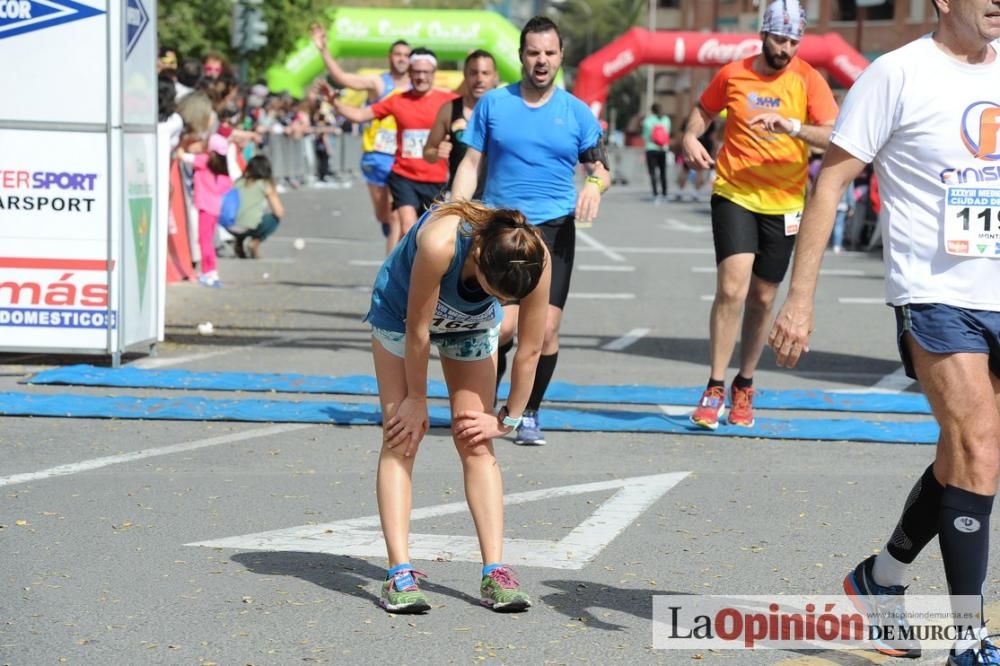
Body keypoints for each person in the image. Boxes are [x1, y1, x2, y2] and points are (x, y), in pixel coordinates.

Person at [768, 1, 1000, 663]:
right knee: (978, 448)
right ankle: (967, 639)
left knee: (966, 460)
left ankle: (883, 577)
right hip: (935, 295)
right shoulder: (896, 75)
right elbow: (832, 182)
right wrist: (800, 300)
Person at [365, 200, 551, 613]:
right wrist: (416, 399)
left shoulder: (532, 257)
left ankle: (495, 572)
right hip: (402, 317)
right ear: (479, 255)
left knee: (476, 441)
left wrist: (508, 418)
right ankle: (399, 573)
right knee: (402, 437)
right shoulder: (440, 243)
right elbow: (418, 332)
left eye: (506, 298)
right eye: (492, 290)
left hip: (470, 327)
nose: (497, 298)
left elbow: (531, 348)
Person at [451, 15, 610, 445]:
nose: (541, 61)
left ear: (561, 57)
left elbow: (600, 166)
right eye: (533, 53)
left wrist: (594, 184)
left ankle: (528, 413)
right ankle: (488, 404)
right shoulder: (493, 105)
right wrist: (453, 209)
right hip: (501, 230)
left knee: (545, 331)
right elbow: (470, 164)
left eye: (549, 53)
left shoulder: (577, 113)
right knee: (501, 329)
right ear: (521, 56)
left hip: (553, 231)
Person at [681, 0, 838, 430]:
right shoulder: (733, 74)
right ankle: (714, 385)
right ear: (763, 35)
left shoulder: (808, 79)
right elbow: (701, 111)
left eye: (793, 41)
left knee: (764, 296)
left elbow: (833, 134)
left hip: (785, 203)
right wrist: (690, 138)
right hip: (735, 192)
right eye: (779, 39)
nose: (785, 48)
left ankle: (744, 384)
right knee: (732, 287)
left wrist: (793, 127)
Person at [329, 48, 456, 249]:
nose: (421, 77)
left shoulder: (448, 101)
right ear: (410, 72)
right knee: (407, 227)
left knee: (429, 236)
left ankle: (416, 273)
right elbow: (361, 115)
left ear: (434, 73)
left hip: (436, 179)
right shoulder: (397, 100)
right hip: (403, 174)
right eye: (417, 72)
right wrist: (335, 104)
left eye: (426, 72)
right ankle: (398, 277)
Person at [312, 24, 410, 251]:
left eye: (406, 55)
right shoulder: (378, 83)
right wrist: (323, 50)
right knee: (384, 217)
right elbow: (342, 78)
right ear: (390, 57)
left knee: (397, 216)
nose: (402, 59)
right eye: (398, 54)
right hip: (377, 156)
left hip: (402, 158)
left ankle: (392, 275)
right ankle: (393, 238)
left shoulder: (418, 86)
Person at [423, 49, 498, 199]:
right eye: (473, 73)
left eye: (485, 73)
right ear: (465, 75)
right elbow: (427, 152)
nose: (479, 79)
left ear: (495, 77)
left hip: (497, 200)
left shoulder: (506, 111)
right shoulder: (449, 109)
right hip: (459, 198)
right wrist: (437, 153)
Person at [177, 134, 233, 287]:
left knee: (204, 241)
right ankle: (210, 270)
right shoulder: (220, 167)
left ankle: (209, 272)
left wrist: (180, 143)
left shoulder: (204, 160)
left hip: (205, 207)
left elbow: (182, 156)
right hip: (214, 207)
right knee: (207, 240)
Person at [228, 155, 285, 259]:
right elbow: (279, 212)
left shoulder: (238, 182)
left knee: (244, 216)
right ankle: (255, 242)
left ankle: (238, 242)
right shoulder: (265, 184)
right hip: (247, 226)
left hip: (229, 226)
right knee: (274, 219)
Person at [641, 103, 671, 202]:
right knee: (663, 172)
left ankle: (655, 194)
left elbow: (645, 136)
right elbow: (667, 133)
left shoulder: (648, 121)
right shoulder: (666, 120)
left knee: (653, 172)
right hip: (663, 149)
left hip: (651, 149)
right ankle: (665, 193)